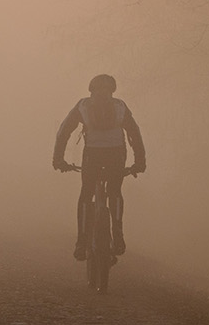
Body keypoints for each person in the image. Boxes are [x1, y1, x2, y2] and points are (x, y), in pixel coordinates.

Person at [53, 74, 146, 260]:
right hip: (116, 154)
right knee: (115, 192)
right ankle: (118, 235)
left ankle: (81, 242)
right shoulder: (120, 106)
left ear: (90, 89)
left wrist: (58, 159)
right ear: (113, 90)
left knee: (86, 194)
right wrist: (139, 162)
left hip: (92, 155)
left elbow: (64, 131)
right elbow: (135, 133)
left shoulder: (83, 105)